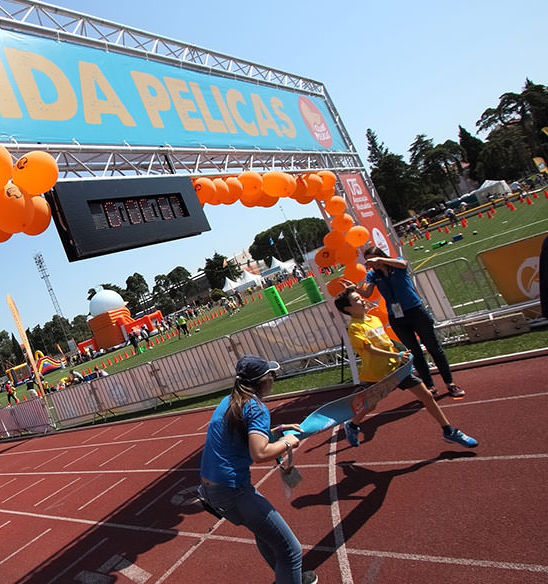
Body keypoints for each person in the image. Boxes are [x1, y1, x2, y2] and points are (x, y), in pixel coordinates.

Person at [197, 355, 317, 584]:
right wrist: (288, 442)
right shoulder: (257, 408)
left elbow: (243, 437)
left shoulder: (229, 401)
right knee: (290, 550)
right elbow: (259, 453)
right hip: (233, 489)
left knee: (264, 534)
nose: (274, 379)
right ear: (263, 382)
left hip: (212, 490)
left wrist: (279, 430)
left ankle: (292, 579)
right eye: (272, 375)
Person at [334, 287, 478, 448]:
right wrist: (396, 356)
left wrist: (401, 351)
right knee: (371, 405)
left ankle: (449, 431)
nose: (362, 300)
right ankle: (352, 425)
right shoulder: (354, 328)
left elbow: (386, 342)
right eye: (356, 300)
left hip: (398, 369)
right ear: (348, 309)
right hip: (377, 375)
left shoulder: (374, 319)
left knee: (426, 396)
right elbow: (370, 350)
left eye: (360, 297)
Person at [347, 246, 465, 398]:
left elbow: (404, 264)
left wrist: (381, 260)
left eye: (372, 259)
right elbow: (367, 293)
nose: (372, 264)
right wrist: (355, 289)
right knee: (414, 352)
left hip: (415, 311)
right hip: (397, 318)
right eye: (368, 261)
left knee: (433, 347)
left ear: (380, 256)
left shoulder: (396, 264)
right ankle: (430, 386)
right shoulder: (372, 275)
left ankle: (450, 383)